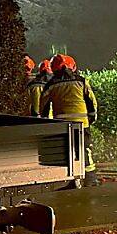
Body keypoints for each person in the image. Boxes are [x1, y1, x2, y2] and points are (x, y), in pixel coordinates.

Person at [40, 54, 99, 186]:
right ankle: (90, 180)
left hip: (61, 126)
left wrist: (46, 122)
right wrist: (92, 118)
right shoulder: (81, 81)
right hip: (81, 124)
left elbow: (43, 106)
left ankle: (69, 182)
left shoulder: (51, 85)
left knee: (66, 153)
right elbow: (91, 102)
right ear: (73, 66)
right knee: (85, 150)